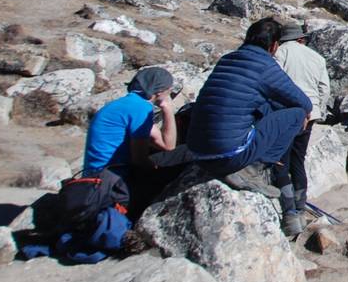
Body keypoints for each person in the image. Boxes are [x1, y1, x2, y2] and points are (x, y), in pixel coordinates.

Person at [187, 18, 311, 203]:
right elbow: (303, 102)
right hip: (227, 156)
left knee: (264, 105)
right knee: (297, 114)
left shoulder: (227, 59)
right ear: (274, 46)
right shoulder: (265, 66)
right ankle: (254, 168)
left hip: (196, 150)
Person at [81, 66, 176, 213]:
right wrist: (169, 108)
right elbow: (140, 160)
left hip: (96, 176)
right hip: (112, 179)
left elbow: (165, 144)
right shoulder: (140, 108)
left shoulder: (127, 104)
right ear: (160, 91)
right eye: (170, 89)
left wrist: (166, 108)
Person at [274, 22, 330, 236]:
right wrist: (318, 109)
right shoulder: (317, 58)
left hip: (287, 113)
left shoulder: (280, 53)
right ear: (301, 39)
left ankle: (289, 214)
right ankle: (300, 207)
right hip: (311, 113)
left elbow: (275, 82)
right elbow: (324, 89)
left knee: (281, 161)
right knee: (298, 159)